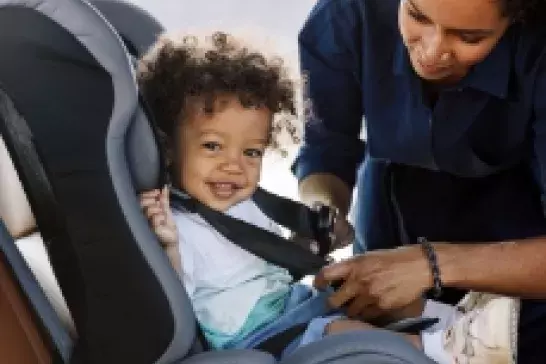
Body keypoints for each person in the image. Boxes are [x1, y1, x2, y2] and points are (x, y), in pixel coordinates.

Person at [294, 0, 546, 362]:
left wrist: (433, 265)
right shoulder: (347, 13)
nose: (431, 50)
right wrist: (322, 212)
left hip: (517, 255)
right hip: (387, 228)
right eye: (417, 16)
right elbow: (326, 147)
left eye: (469, 37)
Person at [135, 30, 388, 359]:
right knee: (361, 337)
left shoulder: (245, 204)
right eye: (212, 147)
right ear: (168, 147)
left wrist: (313, 240)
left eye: (252, 152)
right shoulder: (179, 228)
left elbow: (271, 268)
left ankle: (453, 335)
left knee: (391, 297)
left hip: (293, 306)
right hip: (259, 334)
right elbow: (174, 310)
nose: (234, 166)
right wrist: (167, 248)